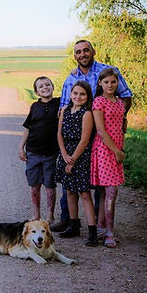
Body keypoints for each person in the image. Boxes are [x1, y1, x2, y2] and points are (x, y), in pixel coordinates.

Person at [51, 39, 132, 232]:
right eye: (78, 52)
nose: (82, 54)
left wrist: (120, 121)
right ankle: (68, 219)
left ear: (93, 51)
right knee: (70, 177)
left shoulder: (108, 71)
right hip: (76, 136)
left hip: (102, 135)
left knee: (98, 179)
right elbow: (64, 107)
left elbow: (126, 96)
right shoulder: (71, 79)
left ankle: (98, 222)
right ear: (74, 56)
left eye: (86, 50)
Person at [54, 81, 98, 246]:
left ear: (87, 97)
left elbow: (85, 139)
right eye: (75, 93)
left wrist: (72, 159)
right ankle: (73, 225)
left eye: (82, 94)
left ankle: (92, 231)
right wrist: (64, 155)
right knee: (69, 191)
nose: (78, 97)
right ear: (70, 94)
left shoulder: (87, 113)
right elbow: (59, 134)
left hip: (80, 156)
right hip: (65, 154)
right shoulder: (65, 110)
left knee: (84, 193)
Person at [91, 68, 126, 248]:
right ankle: (109, 233)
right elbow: (101, 131)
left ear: (117, 82)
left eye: (113, 82)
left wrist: (122, 148)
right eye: (106, 82)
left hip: (117, 149)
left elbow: (121, 128)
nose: (110, 85)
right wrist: (116, 151)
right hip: (105, 150)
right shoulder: (99, 102)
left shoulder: (120, 102)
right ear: (100, 83)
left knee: (107, 192)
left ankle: (101, 228)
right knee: (111, 192)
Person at [18, 76, 58, 224]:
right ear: (36, 92)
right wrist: (21, 146)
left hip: (51, 153)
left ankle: (49, 216)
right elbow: (28, 127)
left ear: (53, 87)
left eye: (48, 85)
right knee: (34, 186)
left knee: (49, 185)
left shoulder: (60, 104)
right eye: (41, 87)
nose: (45, 88)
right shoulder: (35, 107)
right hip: (33, 152)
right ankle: (36, 215)